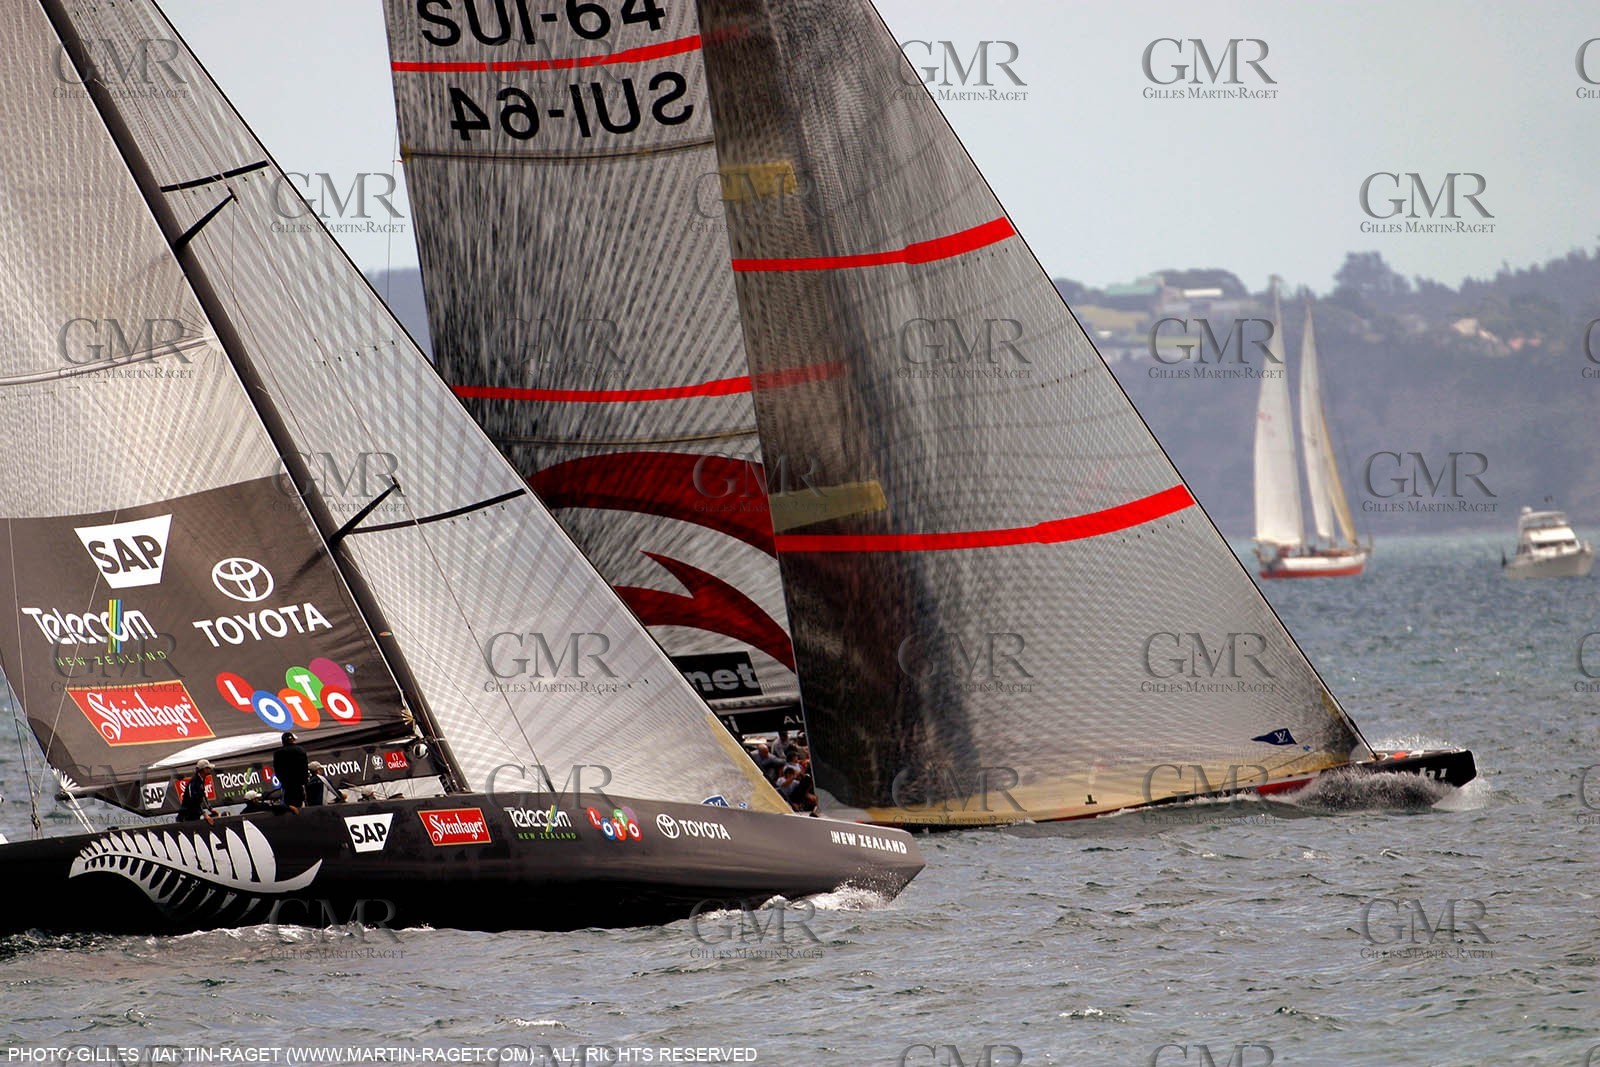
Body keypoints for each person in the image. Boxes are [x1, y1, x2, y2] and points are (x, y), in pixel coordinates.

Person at [276, 730, 310, 810]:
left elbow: (277, 770)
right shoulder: (300, 750)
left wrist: (283, 780)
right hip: (299, 784)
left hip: (287, 785)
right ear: (293, 740)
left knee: (288, 805)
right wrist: (304, 781)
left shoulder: (278, 753)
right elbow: (304, 767)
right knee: (301, 805)